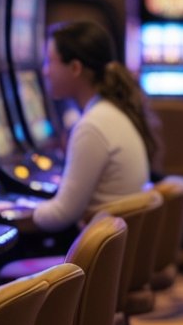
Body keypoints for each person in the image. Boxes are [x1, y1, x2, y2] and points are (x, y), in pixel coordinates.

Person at [29, 21, 156, 232]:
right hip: (119, 247)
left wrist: (15, 214)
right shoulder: (109, 112)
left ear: (75, 68)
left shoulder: (92, 126)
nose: (45, 72)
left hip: (98, 251)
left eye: (50, 61)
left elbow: (61, 215)